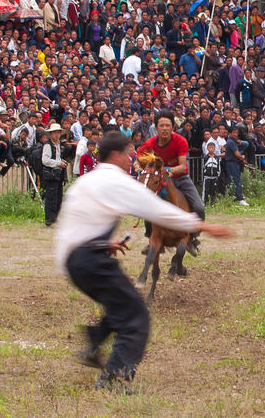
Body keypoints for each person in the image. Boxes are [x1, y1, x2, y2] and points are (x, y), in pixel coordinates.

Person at [56, 131, 233, 393]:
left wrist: (104, 244)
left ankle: (95, 340)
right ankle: (114, 378)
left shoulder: (85, 182)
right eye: (129, 155)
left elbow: (74, 223)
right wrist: (202, 225)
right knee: (136, 315)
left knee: (120, 304)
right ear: (115, 155)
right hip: (90, 259)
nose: (132, 161)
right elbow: (156, 209)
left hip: (74, 261)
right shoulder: (116, 180)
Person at [137, 111, 206, 253]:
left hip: (180, 178)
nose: (164, 128)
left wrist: (169, 170)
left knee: (199, 208)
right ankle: (151, 239)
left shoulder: (180, 140)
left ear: (173, 127)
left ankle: (192, 237)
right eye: (161, 125)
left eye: (168, 125)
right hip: (160, 181)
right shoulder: (150, 143)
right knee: (148, 209)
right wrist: (138, 165)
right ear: (156, 128)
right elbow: (139, 158)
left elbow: (182, 166)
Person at [40, 122, 66, 226]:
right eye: (54, 133)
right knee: (51, 197)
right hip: (51, 173)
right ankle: (49, 218)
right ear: (50, 134)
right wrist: (58, 163)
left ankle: (54, 217)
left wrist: (60, 162)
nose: (56, 135)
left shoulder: (58, 144)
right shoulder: (48, 145)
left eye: (58, 133)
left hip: (57, 173)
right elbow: (45, 160)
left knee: (58, 197)